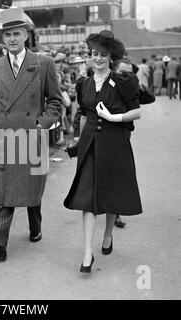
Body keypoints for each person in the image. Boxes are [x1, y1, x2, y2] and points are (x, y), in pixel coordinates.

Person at [0, 7, 63, 261]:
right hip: (4, 139)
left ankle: (34, 226)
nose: (11, 39)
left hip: (31, 137)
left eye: (16, 34)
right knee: (1, 193)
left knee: (30, 190)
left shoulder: (43, 63)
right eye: (7, 35)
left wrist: (41, 124)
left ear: (25, 35)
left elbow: (56, 102)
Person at [63, 30, 142, 273]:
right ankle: (87, 253)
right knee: (87, 197)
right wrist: (78, 140)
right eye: (94, 54)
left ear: (111, 57)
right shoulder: (83, 84)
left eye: (102, 55)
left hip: (115, 143)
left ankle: (107, 234)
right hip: (90, 146)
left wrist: (113, 116)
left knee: (111, 194)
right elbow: (86, 116)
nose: (97, 58)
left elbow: (136, 112)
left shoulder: (122, 82)